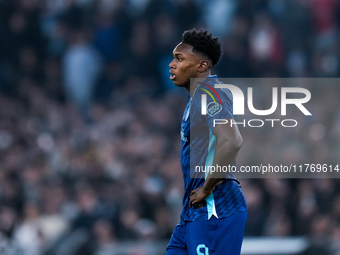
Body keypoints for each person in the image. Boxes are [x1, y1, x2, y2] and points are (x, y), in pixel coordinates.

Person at [167, 28, 247, 255]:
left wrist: (207, 187)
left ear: (201, 66)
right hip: (193, 211)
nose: (172, 64)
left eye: (180, 59)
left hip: (215, 207)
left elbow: (232, 141)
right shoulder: (195, 98)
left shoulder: (209, 93)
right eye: (173, 58)